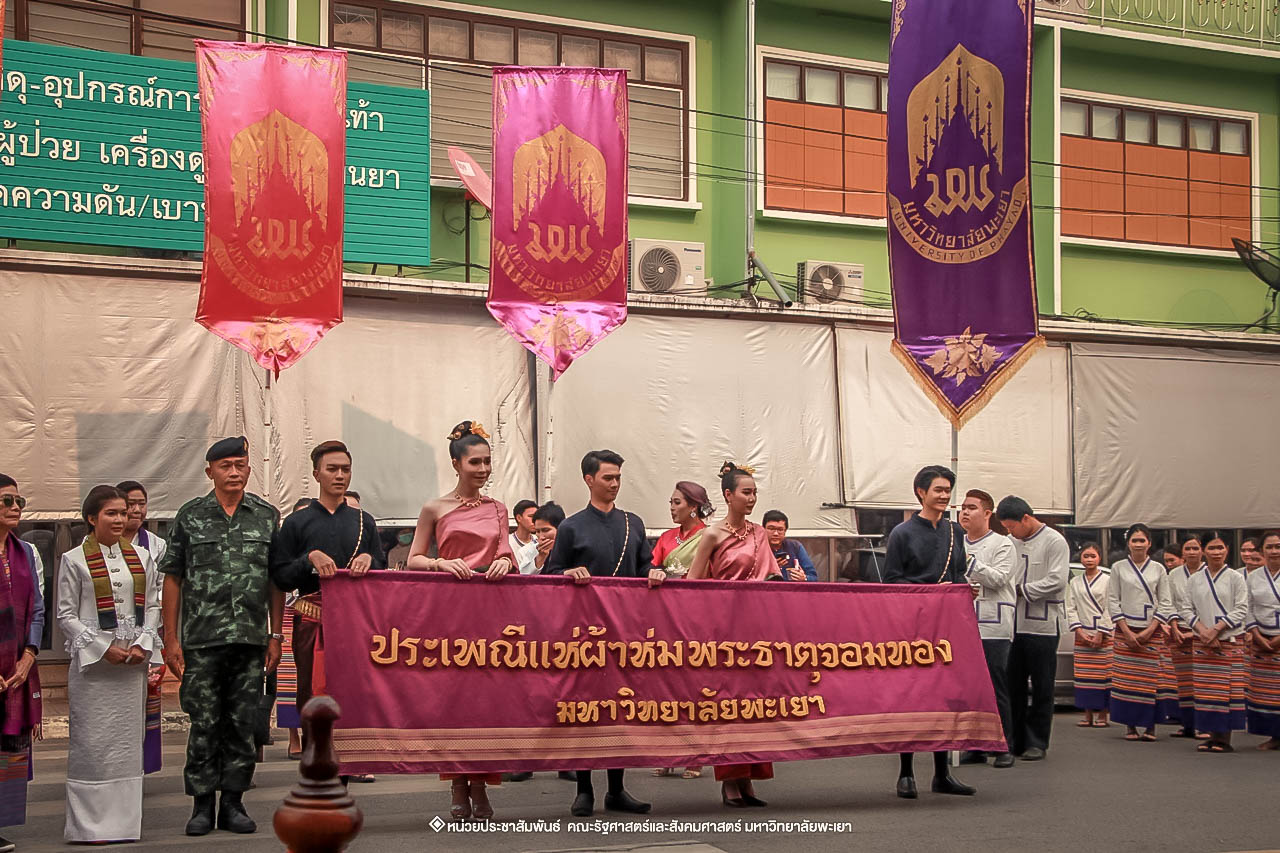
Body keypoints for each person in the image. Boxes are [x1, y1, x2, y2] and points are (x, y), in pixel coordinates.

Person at [159, 436, 284, 837]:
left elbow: (274, 581)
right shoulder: (191, 515)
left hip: (249, 640)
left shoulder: (266, 516)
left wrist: (275, 635)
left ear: (249, 469)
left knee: (242, 723)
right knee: (204, 722)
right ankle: (200, 805)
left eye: (240, 464)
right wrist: (171, 640)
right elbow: (173, 579)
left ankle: (233, 803)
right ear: (209, 470)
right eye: (225, 465)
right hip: (202, 640)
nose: (234, 472)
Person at [542, 449, 662, 818]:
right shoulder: (571, 527)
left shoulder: (634, 523)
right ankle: (583, 789)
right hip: (584, 636)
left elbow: (644, 569)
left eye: (618, 478)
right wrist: (566, 574)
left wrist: (655, 574)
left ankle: (616, 789)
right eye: (608, 477)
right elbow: (548, 575)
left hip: (626, 632)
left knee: (621, 709)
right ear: (588, 479)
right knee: (586, 712)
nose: (614, 484)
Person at [406, 421, 515, 821]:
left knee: (487, 702)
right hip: (450, 611)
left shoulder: (499, 508)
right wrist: (441, 562)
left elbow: (507, 554)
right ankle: (456, 782)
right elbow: (414, 559)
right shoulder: (434, 508)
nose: (484, 469)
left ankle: (482, 784)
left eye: (488, 461)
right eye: (475, 462)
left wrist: (504, 562)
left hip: (490, 612)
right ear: (457, 464)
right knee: (454, 701)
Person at [270, 443, 384, 783]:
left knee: (353, 691)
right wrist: (308, 559)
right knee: (310, 691)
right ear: (317, 473)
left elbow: (380, 569)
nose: (339, 475)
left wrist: (371, 562)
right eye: (332, 469)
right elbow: (279, 575)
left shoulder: (364, 521)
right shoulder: (297, 522)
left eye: (345, 469)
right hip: (311, 620)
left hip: (353, 623)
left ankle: (347, 764)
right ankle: (315, 763)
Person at [56, 485, 162, 843]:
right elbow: (66, 615)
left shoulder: (142, 558)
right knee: (92, 744)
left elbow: (152, 607)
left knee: (126, 745)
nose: (121, 519)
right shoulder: (74, 559)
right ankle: (88, 828)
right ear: (91, 518)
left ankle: (123, 826)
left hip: (131, 666)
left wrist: (142, 643)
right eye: (112, 513)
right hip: (93, 669)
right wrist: (104, 648)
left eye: (124, 512)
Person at [882, 465, 974, 798]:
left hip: (948, 625)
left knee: (945, 698)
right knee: (911, 698)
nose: (945, 496)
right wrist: (931, 591)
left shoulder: (955, 532)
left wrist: (965, 589)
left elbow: (958, 572)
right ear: (921, 492)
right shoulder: (902, 533)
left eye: (948, 490)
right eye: (938, 489)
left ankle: (942, 773)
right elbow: (891, 582)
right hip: (912, 627)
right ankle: (906, 773)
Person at [688, 463, 776, 805]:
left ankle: (751, 777)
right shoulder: (712, 534)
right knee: (728, 706)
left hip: (756, 631)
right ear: (728, 495)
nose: (752, 498)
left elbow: (772, 577)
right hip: (723, 631)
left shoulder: (760, 534)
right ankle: (730, 779)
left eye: (755, 492)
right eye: (746, 492)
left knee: (756, 707)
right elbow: (693, 584)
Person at [996, 495, 1069, 761]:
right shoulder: (1010, 543)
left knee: (1041, 685)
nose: (1010, 531)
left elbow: (1057, 580)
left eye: (1012, 526)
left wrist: (1021, 590)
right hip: (1013, 625)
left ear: (1026, 518)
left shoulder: (1054, 541)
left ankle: (1037, 741)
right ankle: (1013, 738)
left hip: (1043, 625)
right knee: (1013, 683)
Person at [0, 474, 44, 853]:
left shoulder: (26, 552)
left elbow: (37, 610)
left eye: (19, 501)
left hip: (16, 670)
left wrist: (29, 655)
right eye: (7, 501)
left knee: (7, 747)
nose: (15, 508)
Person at [958, 488, 1017, 768]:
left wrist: (970, 563)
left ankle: (1005, 744)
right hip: (963, 624)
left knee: (995, 685)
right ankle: (977, 744)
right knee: (970, 688)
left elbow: (1000, 578)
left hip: (994, 625)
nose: (965, 512)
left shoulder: (1003, 544)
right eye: (963, 508)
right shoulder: (955, 542)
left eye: (971, 507)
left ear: (987, 513)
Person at [117, 479, 167, 774]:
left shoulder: (156, 545)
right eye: (129, 504)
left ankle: (140, 766)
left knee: (148, 700)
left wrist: (147, 631)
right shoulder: (97, 544)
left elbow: (160, 593)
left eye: (141, 504)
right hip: (111, 635)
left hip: (147, 632)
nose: (136, 510)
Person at [1105, 523, 1172, 742]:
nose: (1138, 544)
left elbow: (1165, 601)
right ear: (1128, 543)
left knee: (1151, 680)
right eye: (1134, 540)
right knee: (1127, 680)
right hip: (1126, 630)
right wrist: (1126, 631)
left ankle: (1151, 727)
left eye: (1142, 540)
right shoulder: (1118, 568)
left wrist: (1151, 629)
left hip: (1152, 631)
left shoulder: (1159, 569)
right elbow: (1113, 600)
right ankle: (1130, 726)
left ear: (1149, 543)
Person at [1184, 531, 1248, 753]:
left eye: (1220, 547)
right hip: (1203, 641)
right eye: (1211, 548)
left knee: (1226, 691)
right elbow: (1186, 608)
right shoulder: (1195, 579)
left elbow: (1241, 608)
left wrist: (1217, 630)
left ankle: (1224, 739)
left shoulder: (1236, 578)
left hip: (1228, 640)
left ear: (1227, 550)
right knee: (1206, 690)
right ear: (1203, 550)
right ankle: (1211, 736)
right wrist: (1203, 631)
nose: (1216, 552)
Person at [1065, 542, 1112, 728]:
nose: (1089, 560)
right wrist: (1079, 631)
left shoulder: (1108, 580)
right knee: (1084, 677)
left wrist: (1101, 632)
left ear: (1099, 557)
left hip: (1104, 633)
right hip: (1082, 632)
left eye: (1093, 556)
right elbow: (1071, 607)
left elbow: (1110, 607)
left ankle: (1102, 715)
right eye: (1086, 556)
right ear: (1081, 558)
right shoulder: (1075, 582)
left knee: (1103, 676)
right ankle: (1087, 715)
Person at [278, 497, 310, 760]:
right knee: (289, 681)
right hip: (289, 616)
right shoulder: (287, 549)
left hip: (317, 617)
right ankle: (293, 737)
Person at [1245, 530, 1280, 750]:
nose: (1275, 551)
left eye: (1278, 546)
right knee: (1267, 692)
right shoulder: (1254, 577)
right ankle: (1275, 736)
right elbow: (1247, 607)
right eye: (1270, 547)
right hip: (1261, 640)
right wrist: (1256, 634)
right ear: (1262, 551)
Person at [1167, 535, 1204, 739]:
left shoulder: (1209, 573)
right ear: (1182, 553)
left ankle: (1203, 725)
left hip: (1203, 634)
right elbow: (1169, 602)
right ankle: (1187, 724)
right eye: (1187, 548)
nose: (1191, 552)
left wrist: (1196, 631)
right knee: (1183, 682)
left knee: (1203, 682)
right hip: (1179, 632)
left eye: (1195, 548)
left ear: (1202, 551)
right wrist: (1174, 627)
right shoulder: (1174, 575)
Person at [652, 482, 712, 580]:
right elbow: (652, 567)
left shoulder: (710, 537)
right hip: (667, 592)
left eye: (677, 502)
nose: (672, 508)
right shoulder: (666, 537)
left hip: (699, 593)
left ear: (693, 506)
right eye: (671, 503)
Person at [762, 510, 817, 581]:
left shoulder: (795, 546)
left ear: (785, 531)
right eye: (771, 529)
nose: (775, 533)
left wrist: (804, 578)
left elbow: (814, 577)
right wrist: (771, 569)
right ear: (763, 529)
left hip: (792, 590)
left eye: (780, 529)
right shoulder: (757, 548)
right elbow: (749, 578)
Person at [532, 502, 565, 574]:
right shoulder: (529, 551)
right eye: (537, 531)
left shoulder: (572, 550)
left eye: (546, 530)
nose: (541, 537)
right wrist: (540, 558)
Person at [509, 500, 540, 575]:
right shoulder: (507, 541)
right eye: (531, 517)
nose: (534, 521)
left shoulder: (539, 541)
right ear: (519, 518)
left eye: (537, 517)